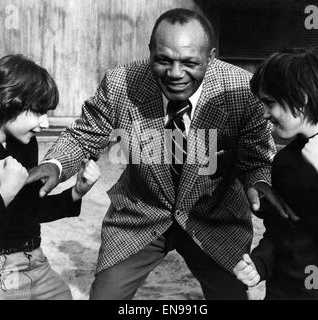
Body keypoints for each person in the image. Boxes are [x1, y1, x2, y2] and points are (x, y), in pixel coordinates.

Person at [27, 8, 286, 300]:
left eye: (190, 63)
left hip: (214, 220)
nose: (175, 74)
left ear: (210, 57)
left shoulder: (241, 89)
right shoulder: (120, 83)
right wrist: (55, 163)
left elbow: (256, 159)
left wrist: (259, 182)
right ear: (150, 51)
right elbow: (84, 135)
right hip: (140, 215)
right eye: (163, 60)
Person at [0, 54, 100, 300]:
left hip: (35, 262)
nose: (45, 123)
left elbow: (28, 210)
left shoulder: (24, 144)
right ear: (8, 102)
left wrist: (76, 192)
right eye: (38, 112)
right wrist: (5, 192)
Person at [233, 48, 318, 299]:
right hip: (284, 292)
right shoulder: (283, 159)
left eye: (270, 103)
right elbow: (281, 232)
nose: (264, 114)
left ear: (301, 97)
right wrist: (259, 265)